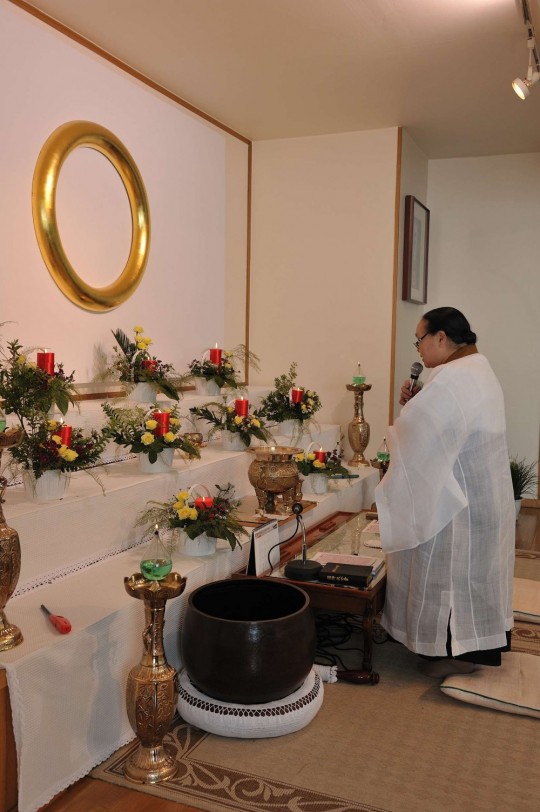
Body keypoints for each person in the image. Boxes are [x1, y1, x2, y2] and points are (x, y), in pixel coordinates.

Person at [375, 307, 515, 678]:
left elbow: (418, 431)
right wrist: (418, 403)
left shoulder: (454, 377)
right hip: (482, 493)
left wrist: (411, 412)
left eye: (420, 340)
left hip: (464, 502)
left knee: (456, 576)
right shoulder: (476, 367)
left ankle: (462, 656)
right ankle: (475, 647)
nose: (418, 349)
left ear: (441, 337)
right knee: (475, 577)